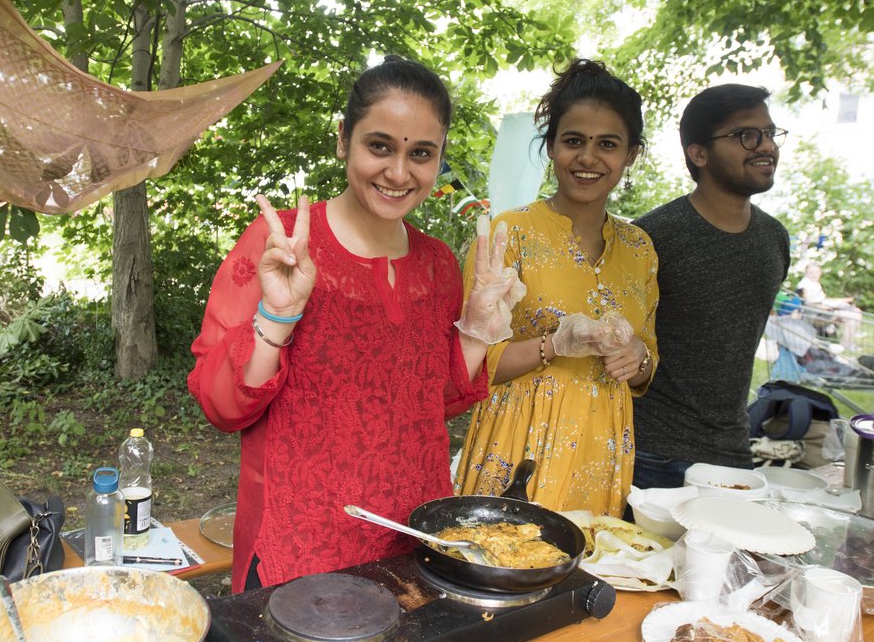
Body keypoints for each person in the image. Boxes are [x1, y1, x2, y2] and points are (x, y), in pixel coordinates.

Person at [189, 56, 522, 591]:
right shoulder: (283, 243)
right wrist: (278, 316)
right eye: (380, 146)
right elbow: (223, 407)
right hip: (298, 545)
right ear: (344, 139)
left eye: (421, 154)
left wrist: (478, 330)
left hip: (413, 539)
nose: (398, 172)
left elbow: (431, 402)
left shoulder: (437, 263)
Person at [454, 59, 658, 516]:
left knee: (594, 573)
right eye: (573, 141)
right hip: (517, 438)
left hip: (602, 442)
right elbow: (470, 366)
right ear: (550, 147)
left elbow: (649, 362)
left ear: (631, 154)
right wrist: (555, 344)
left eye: (608, 144)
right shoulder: (509, 235)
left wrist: (638, 358)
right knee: (504, 565)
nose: (588, 158)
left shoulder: (640, 248)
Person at [632, 84, 791, 488]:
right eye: (746, 135)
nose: (766, 147)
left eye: (770, 134)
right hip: (653, 455)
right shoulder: (653, 237)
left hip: (734, 452)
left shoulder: (774, 239)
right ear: (698, 153)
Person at [796, 262, 862, 349]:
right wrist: (830, 308)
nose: (814, 275)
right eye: (811, 272)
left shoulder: (815, 283)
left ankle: (848, 342)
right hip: (816, 315)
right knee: (853, 316)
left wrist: (841, 301)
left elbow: (823, 299)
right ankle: (846, 344)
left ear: (820, 272)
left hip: (824, 312)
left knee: (856, 312)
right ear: (806, 273)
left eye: (816, 272)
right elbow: (809, 303)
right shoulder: (804, 284)